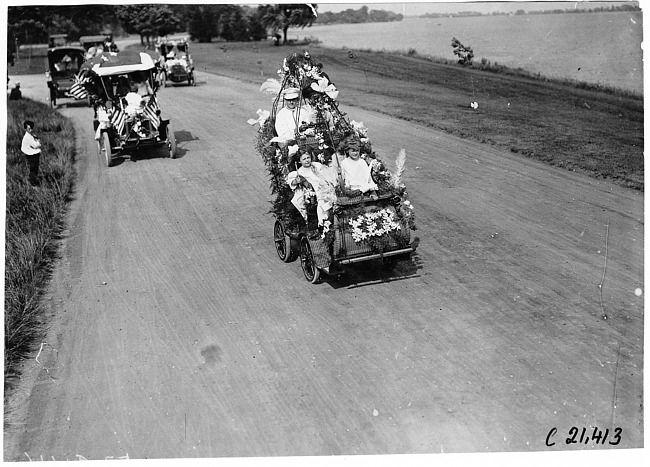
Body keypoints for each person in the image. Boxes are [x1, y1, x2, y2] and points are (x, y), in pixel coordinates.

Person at [286, 151, 337, 225]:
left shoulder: (317, 165)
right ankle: (323, 223)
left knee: (335, 196)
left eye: (308, 158)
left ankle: (335, 218)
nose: (307, 160)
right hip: (316, 190)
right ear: (300, 161)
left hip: (326, 185)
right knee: (322, 203)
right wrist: (297, 181)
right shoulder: (300, 172)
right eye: (304, 159)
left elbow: (326, 174)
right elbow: (294, 183)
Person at [21, 120, 42, 187]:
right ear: (25, 129)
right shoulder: (27, 137)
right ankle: (33, 184)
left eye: (31, 128)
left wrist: (37, 141)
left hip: (33, 153)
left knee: (35, 168)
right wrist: (38, 142)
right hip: (31, 155)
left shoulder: (31, 135)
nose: (31, 130)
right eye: (29, 129)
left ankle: (34, 182)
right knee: (33, 169)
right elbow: (36, 145)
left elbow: (36, 140)